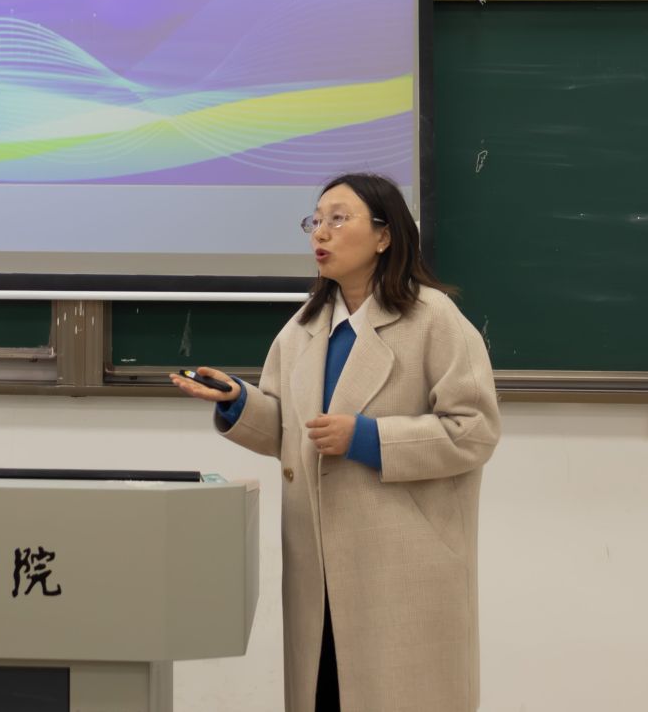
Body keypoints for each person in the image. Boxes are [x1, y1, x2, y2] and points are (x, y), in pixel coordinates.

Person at [171, 172, 499, 712]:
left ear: (384, 235)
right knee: (324, 693)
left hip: (402, 565)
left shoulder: (433, 319)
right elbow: (293, 432)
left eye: (339, 219)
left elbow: (475, 430)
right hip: (317, 567)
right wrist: (238, 402)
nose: (321, 233)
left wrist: (367, 437)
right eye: (316, 220)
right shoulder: (302, 328)